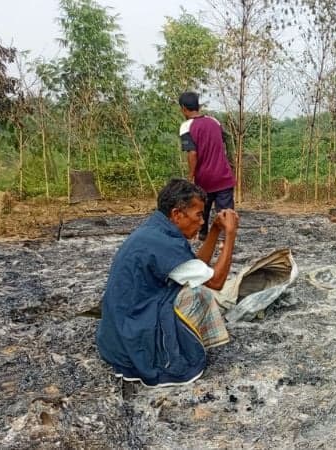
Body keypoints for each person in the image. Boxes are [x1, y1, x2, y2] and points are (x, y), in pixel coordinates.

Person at [96, 178, 239, 387]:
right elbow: (216, 281)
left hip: (117, 335)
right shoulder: (163, 243)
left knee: (192, 284)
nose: (202, 222)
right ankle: (174, 352)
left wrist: (215, 230)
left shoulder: (156, 231)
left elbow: (195, 267)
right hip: (133, 334)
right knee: (199, 294)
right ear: (177, 214)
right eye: (198, 215)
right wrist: (231, 235)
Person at [178, 91, 237, 241]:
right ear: (198, 106)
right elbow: (225, 140)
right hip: (224, 176)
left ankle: (203, 235)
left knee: (201, 209)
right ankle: (226, 241)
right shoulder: (214, 121)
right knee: (226, 213)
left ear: (183, 108)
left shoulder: (186, 126)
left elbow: (192, 153)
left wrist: (190, 176)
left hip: (204, 178)